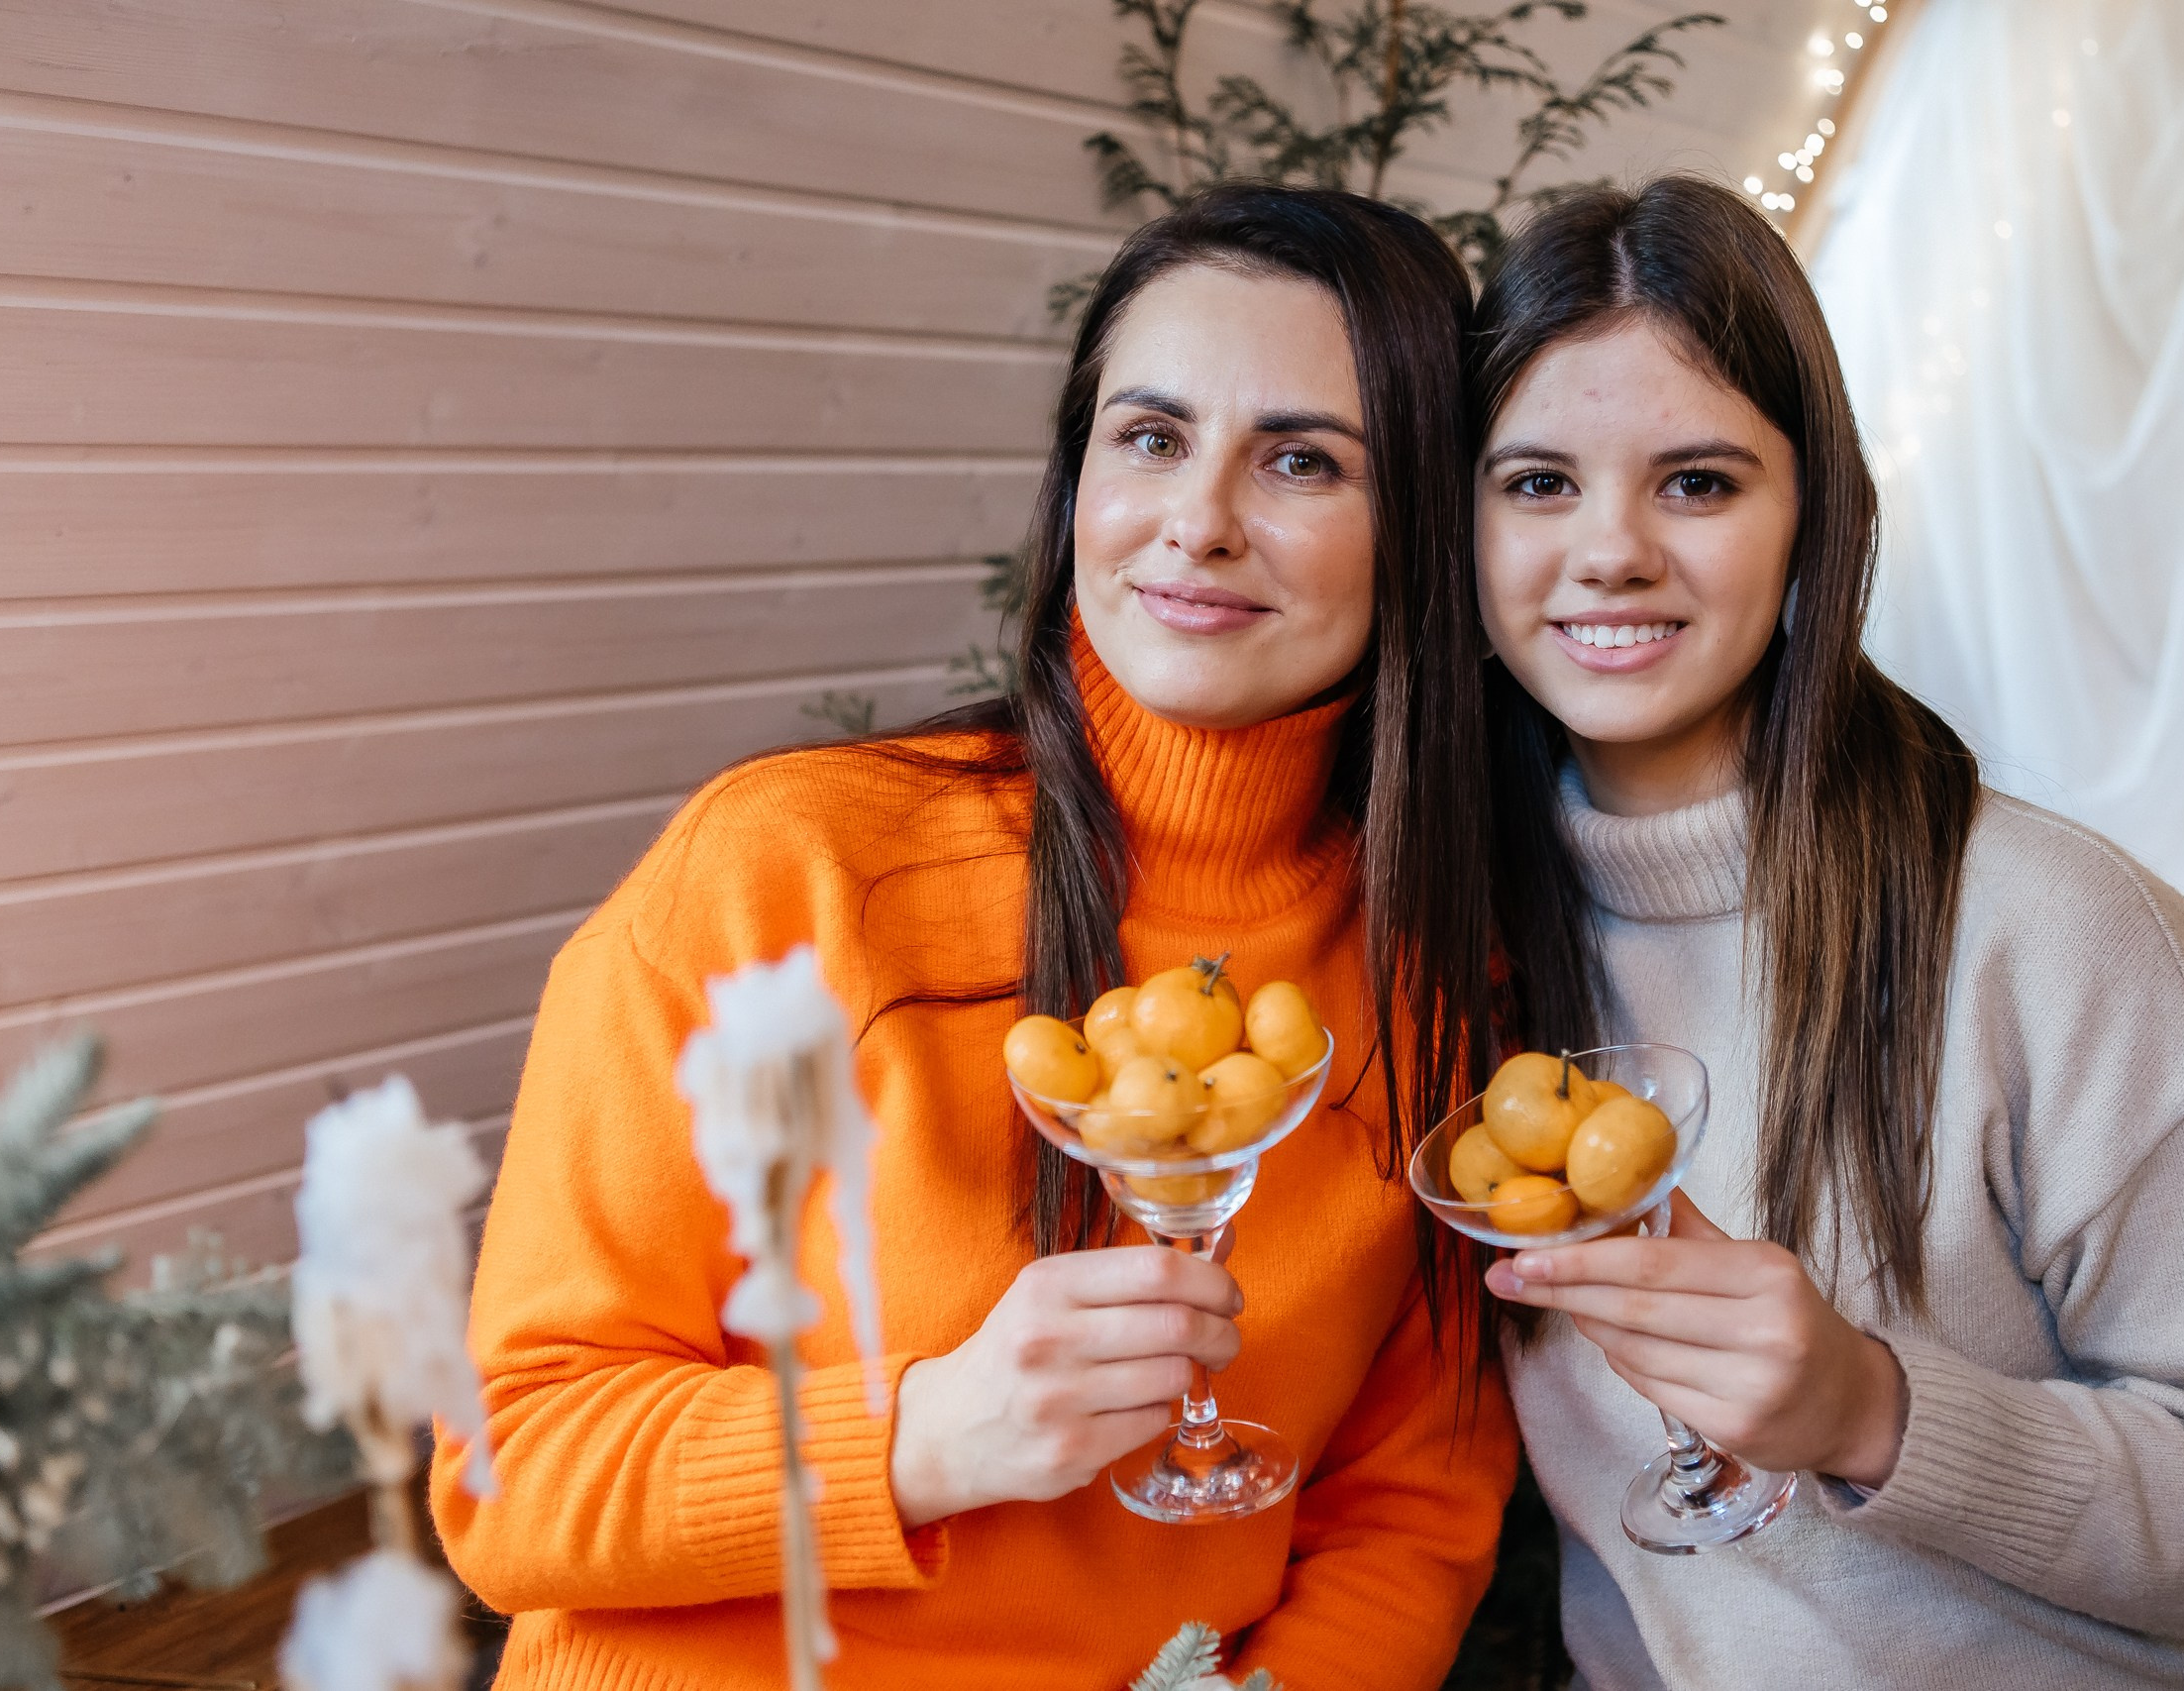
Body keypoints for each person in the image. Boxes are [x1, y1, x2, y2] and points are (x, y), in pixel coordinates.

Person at [431, 184, 1515, 1690]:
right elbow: (511, 1469)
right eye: (1151, 438)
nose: (1198, 522)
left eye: (1302, 461)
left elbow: (1407, 1516)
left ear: (1424, 531)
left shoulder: (1442, 984)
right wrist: (927, 1435)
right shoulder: (787, 866)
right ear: (1077, 483)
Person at [1468, 177, 2184, 1688]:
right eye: (1540, 482)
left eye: (1699, 483)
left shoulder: (2057, 932)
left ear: (1812, 517)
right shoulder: (1459, 946)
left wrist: (1871, 1411)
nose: (1612, 550)